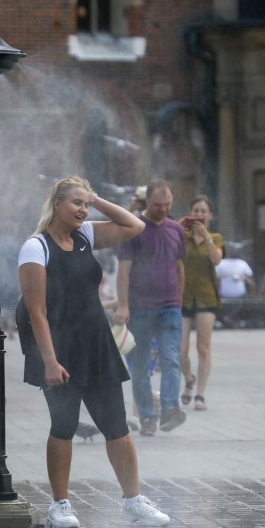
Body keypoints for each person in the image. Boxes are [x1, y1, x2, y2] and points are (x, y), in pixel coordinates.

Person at [19, 175, 169, 528]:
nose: (82, 210)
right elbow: (36, 310)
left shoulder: (84, 235)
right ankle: (61, 505)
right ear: (56, 205)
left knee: (116, 424)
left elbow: (133, 225)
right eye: (76, 203)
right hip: (57, 346)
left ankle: (133, 500)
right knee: (64, 425)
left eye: (85, 204)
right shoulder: (35, 247)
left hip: (95, 341)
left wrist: (96, 198)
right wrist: (51, 361)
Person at [114, 179, 187, 437]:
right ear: (148, 202)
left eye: (168, 204)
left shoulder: (176, 229)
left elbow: (179, 268)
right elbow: (124, 269)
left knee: (171, 357)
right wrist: (123, 305)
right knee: (140, 366)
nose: (164, 209)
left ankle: (169, 409)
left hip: (169, 306)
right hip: (139, 308)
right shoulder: (134, 227)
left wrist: (179, 299)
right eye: (158, 205)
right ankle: (147, 417)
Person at [178, 196, 223, 412]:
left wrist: (207, 238)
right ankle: (188, 378)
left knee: (203, 348)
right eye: (195, 211)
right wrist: (176, 227)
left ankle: (200, 394)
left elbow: (217, 259)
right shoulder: (182, 236)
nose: (199, 215)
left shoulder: (215, 237)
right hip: (182, 296)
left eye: (204, 211)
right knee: (180, 348)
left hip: (206, 296)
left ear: (210, 215)